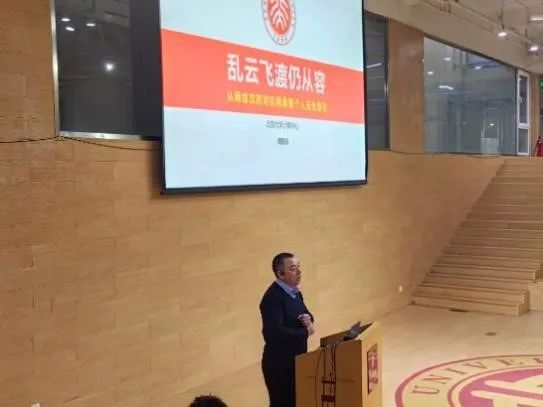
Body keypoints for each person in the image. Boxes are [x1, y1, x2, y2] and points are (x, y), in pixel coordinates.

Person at [259, 252, 315, 407]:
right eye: (293, 268)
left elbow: (306, 313)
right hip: (280, 365)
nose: (299, 272)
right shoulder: (272, 298)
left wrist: (308, 318)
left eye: (298, 267)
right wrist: (306, 332)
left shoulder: (295, 293)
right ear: (280, 274)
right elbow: (275, 333)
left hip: (296, 361)